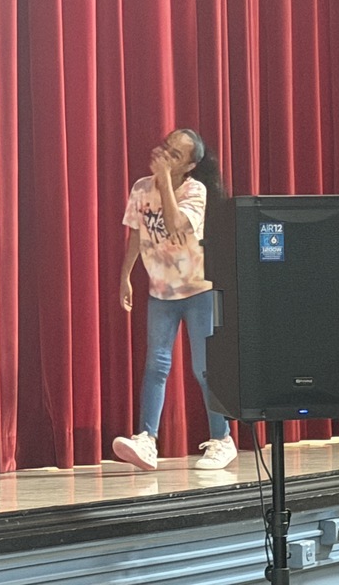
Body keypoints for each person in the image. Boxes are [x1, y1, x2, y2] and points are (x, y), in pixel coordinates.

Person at [112, 128, 236, 471]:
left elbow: (177, 226)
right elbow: (136, 233)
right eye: (165, 148)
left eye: (175, 156)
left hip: (197, 290)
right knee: (156, 366)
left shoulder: (195, 191)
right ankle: (146, 440)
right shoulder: (141, 188)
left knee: (205, 369)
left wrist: (165, 182)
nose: (165, 156)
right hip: (162, 292)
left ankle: (222, 439)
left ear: (190, 166)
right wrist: (125, 276)